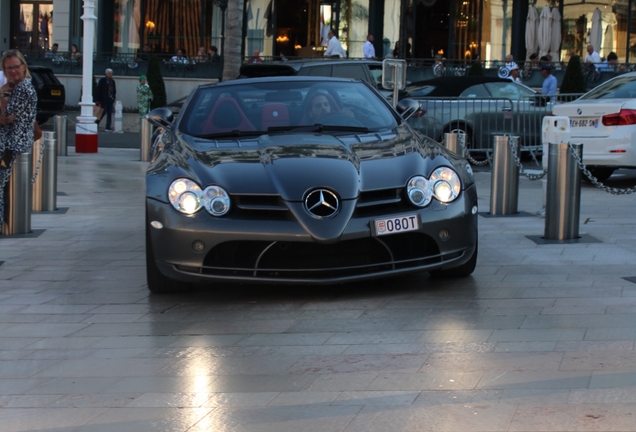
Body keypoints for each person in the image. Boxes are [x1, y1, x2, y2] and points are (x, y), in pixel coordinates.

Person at [0, 50, 38, 230]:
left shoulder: (23, 88)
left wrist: (2, 96)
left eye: (16, 67)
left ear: (23, 67)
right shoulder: (15, 88)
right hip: (12, 145)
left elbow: (6, 117)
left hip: (11, 147)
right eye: (9, 68)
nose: (13, 71)